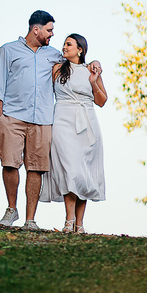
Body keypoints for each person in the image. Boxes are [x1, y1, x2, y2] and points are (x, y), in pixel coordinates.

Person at [0, 10, 64, 230]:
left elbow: (75, 62)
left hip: (42, 119)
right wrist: (0, 119)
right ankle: (12, 209)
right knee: (9, 163)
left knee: (36, 168)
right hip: (12, 117)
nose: (52, 34)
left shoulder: (54, 54)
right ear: (36, 29)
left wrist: (95, 62)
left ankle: (30, 220)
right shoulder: (7, 50)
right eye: (49, 30)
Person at [40, 33, 108, 233]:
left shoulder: (90, 70)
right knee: (69, 168)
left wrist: (94, 81)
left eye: (69, 44)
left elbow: (102, 101)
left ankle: (79, 223)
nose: (64, 47)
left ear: (80, 49)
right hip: (62, 120)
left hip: (87, 123)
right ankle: (69, 220)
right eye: (64, 44)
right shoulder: (57, 69)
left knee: (83, 172)